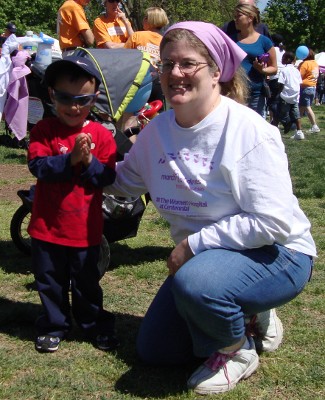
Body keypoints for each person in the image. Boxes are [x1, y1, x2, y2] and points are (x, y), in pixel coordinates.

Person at [104, 21, 316, 395]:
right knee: (156, 350)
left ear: (216, 70)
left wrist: (193, 245)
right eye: (167, 64)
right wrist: (72, 170)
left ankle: (237, 351)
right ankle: (248, 310)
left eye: (188, 64)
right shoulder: (156, 132)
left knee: (198, 284)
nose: (175, 74)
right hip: (205, 262)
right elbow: (122, 181)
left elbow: (272, 221)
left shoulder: (248, 130)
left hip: (280, 254)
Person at [27, 56, 119, 353]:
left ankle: (94, 325)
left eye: (83, 99)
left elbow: (106, 176)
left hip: (84, 231)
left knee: (86, 284)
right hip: (47, 229)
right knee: (49, 283)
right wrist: (70, 160)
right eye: (65, 97)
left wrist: (88, 160)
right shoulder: (44, 131)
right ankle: (54, 324)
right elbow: (39, 167)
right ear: (52, 94)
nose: (74, 106)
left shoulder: (102, 135)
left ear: (94, 99)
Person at [232, 2, 277, 116]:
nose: (235, 20)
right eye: (235, 17)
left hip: (256, 95)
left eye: (239, 16)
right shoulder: (231, 40)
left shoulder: (264, 41)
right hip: (235, 93)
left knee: (255, 130)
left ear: (250, 18)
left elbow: (274, 68)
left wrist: (262, 70)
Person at [277, 51, 304, 140]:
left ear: (288, 59)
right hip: (295, 95)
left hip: (285, 94)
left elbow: (281, 83)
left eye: (283, 57)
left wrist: (278, 93)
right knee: (296, 114)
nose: (282, 59)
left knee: (281, 112)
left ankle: (285, 124)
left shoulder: (284, 70)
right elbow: (299, 82)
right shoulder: (296, 70)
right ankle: (299, 132)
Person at [298, 49, 321, 133]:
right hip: (313, 87)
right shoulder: (315, 63)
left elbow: (299, 75)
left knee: (307, 107)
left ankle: (314, 125)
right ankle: (296, 124)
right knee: (301, 107)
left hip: (305, 87)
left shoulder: (305, 64)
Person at [268, 33, 285, 125]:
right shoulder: (283, 51)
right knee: (278, 100)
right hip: (282, 77)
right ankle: (276, 120)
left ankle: (273, 120)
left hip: (274, 77)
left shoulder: (272, 49)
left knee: (272, 101)